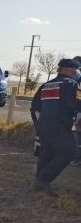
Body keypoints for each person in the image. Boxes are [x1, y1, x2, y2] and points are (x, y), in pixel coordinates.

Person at [29, 58, 81, 195]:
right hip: (60, 126)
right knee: (69, 153)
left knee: (47, 154)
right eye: (75, 71)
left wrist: (38, 125)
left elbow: (34, 107)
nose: (76, 73)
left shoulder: (46, 85)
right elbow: (76, 105)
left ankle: (39, 184)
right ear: (68, 70)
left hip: (44, 126)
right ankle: (43, 180)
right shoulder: (71, 84)